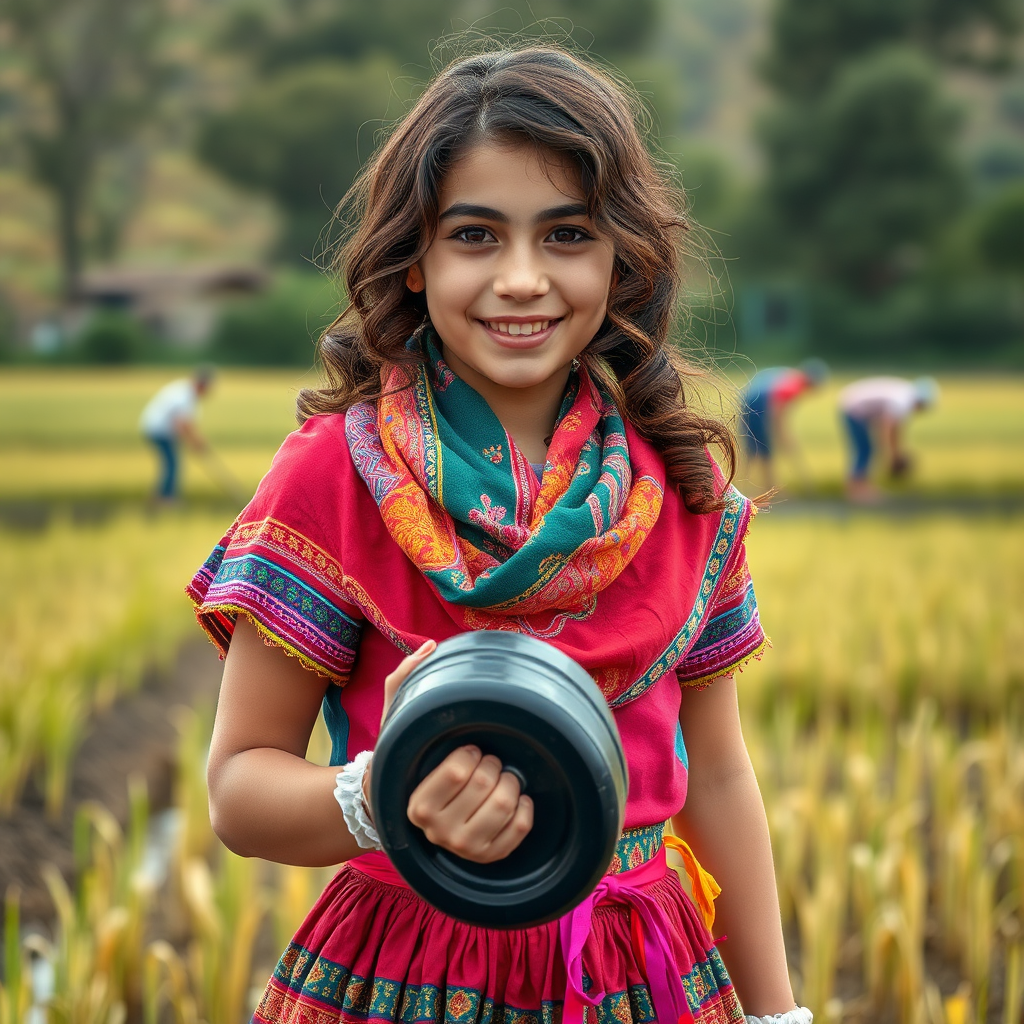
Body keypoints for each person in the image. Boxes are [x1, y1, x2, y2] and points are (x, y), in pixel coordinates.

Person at [187, 46, 809, 1024]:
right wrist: (376, 794)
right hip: (402, 966)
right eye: (475, 235)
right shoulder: (330, 477)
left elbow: (719, 775)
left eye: (566, 235)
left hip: (636, 972)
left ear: (622, 257)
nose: (521, 279)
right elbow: (237, 789)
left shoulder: (681, 490)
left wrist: (778, 1015)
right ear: (415, 257)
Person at [838, 375, 939, 502]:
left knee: (867, 448)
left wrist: (895, 453)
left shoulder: (905, 395)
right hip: (853, 407)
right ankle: (855, 489)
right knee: (865, 449)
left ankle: (862, 486)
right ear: (921, 400)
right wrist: (892, 455)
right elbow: (888, 428)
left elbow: (895, 430)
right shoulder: (903, 400)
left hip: (856, 404)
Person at [739, 360, 828, 490]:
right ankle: (768, 489)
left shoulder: (792, 376)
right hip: (756, 403)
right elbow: (777, 415)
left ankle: (766, 487)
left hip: (751, 398)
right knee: (761, 447)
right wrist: (784, 436)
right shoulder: (794, 386)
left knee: (756, 448)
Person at [139, 366, 214, 501]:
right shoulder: (185, 395)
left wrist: (194, 441)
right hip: (159, 431)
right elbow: (182, 422)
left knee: (171, 464)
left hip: (161, 430)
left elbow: (184, 424)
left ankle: (162, 497)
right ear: (202, 385)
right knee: (172, 464)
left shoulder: (185, 391)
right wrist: (195, 442)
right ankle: (165, 499)